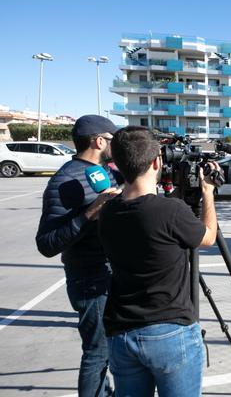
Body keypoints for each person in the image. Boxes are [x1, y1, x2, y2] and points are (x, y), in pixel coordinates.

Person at [98, 126, 218, 396]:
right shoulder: (170, 211)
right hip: (169, 331)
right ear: (156, 162)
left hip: (121, 332)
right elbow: (208, 237)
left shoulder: (107, 211)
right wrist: (207, 193)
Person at [36, 114, 120, 397]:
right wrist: (90, 213)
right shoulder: (64, 180)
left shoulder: (105, 171)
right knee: (97, 354)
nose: (115, 145)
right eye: (112, 139)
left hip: (113, 272)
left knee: (115, 351)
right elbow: (46, 244)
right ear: (99, 141)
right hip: (89, 280)